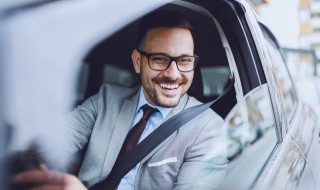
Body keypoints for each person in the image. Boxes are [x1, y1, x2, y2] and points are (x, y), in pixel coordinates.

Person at [12, 10, 228, 190]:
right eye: (159, 59)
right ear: (137, 61)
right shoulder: (107, 99)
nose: (173, 74)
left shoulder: (209, 128)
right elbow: (44, 146)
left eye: (184, 60)